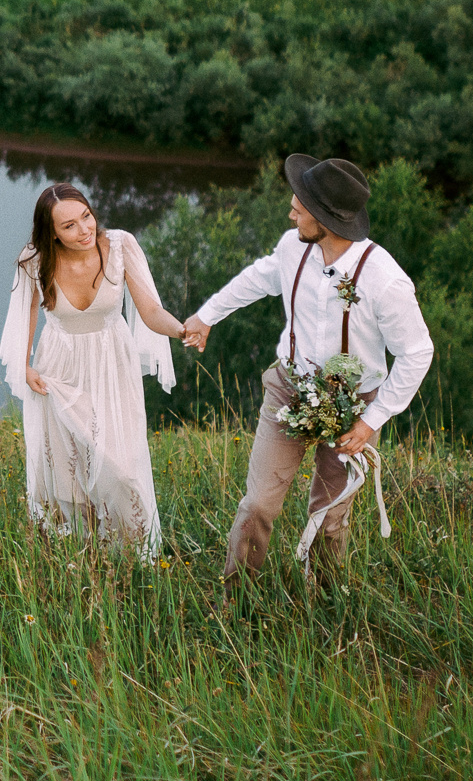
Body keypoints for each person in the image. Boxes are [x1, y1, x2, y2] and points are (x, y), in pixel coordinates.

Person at [180, 154, 433, 578]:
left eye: (300, 203)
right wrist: (207, 317)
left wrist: (371, 420)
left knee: (330, 517)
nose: (291, 209)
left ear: (325, 218)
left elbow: (417, 352)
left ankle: (324, 603)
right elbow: (257, 279)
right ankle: (236, 598)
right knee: (257, 504)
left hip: (353, 406)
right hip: (289, 388)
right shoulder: (292, 246)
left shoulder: (385, 281)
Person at [0, 182, 186, 559]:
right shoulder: (34, 261)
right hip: (61, 371)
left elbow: (149, 311)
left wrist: (182, 329)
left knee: (122, 469)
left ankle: (134, 555)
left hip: (113, 367)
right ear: (51, 232)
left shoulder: (119, 246)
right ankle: (86, 558)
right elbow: (26, 316)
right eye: (69, 226)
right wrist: (24, 367)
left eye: (86, 216)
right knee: (74, 476)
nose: (84, 230)